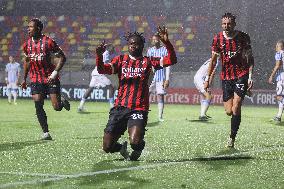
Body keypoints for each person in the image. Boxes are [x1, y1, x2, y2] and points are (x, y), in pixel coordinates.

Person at [96, 26, 177, 161]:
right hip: (119, 107)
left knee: (135, 142)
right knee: (107, 147)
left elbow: (172, 60)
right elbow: (102, 69)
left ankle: (139, 146)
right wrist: (99, 55)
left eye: (137, 43)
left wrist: (167, 43)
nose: (133, 46)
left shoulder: (149, 62)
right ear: (128, 45)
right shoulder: (120, 60)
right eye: (131, 43)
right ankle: (121, 147)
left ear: (142, 46)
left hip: (138, 107)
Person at [204, 13, 254, 148]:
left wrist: (250, 77)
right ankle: (243, 93)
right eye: (224, 24)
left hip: (241, 74)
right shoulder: (217, 39)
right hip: (226, 77)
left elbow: (250, 58)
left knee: (237, 106)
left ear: (234, 24)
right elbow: (213, 61)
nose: (226, 26)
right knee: (229, 111)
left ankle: (232, 137)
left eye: (229, 24)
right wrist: (208, 79)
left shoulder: (243, 37)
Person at [21, 18, 70, 140]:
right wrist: (24, 78)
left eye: (31, 27)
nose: (28, 29)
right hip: (35, 79)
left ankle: (61, 100)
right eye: (28, 27)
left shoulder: (48, 42)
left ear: (38, 28)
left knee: (57, 108)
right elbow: (27, 61)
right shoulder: (27, 45)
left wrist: (54, 73)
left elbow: (63, 57)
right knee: (38, 104)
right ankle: (46, 133)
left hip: (50, 78)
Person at [78, 45, 115, 112]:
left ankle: (80, 106)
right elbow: (105, 63)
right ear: (110, 49)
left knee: (90, 88)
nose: (114, 50)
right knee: (111, 87)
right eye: (113, 49)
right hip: (99, 73)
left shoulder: (105, 53)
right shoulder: (106, 53)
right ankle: (112, 107)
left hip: (95, 72)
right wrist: (112, 65)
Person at [147, 34, 171, 122]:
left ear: (159, 40)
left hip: (161, 77)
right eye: (153, 40)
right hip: (151, 78)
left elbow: (168, 65)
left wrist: (167, 79)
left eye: (156, 40)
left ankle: (160, 116)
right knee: (146, 95)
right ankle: (145, 114)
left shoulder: (164, 50)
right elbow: (147, 64)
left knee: (160, 95)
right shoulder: (150, 51)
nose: (154, 41)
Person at [268, 40, 284, 123]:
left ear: (279, 46)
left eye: (276, 46)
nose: (275, 48)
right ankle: (278, 116)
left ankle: (278, 116)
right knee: (281, 97)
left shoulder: (279, 53)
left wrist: (271, 76)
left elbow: (277, 66)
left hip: (281, 78)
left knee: (279, 97)